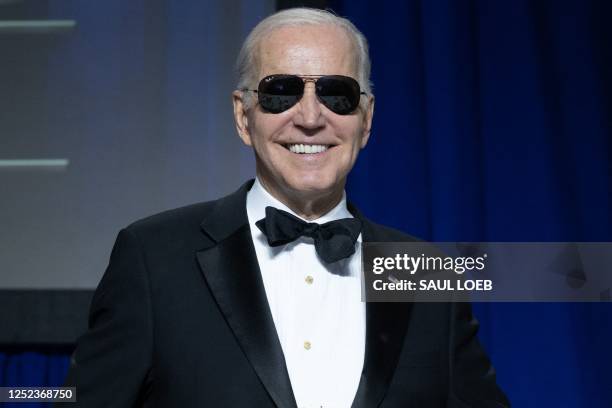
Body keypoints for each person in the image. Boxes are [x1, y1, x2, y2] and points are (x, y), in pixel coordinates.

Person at [60, 8, 509, 408]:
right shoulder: (152, 258)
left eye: (337, 93)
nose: (311, 118)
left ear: (366, 119)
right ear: (243, 116)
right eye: (280, 92)